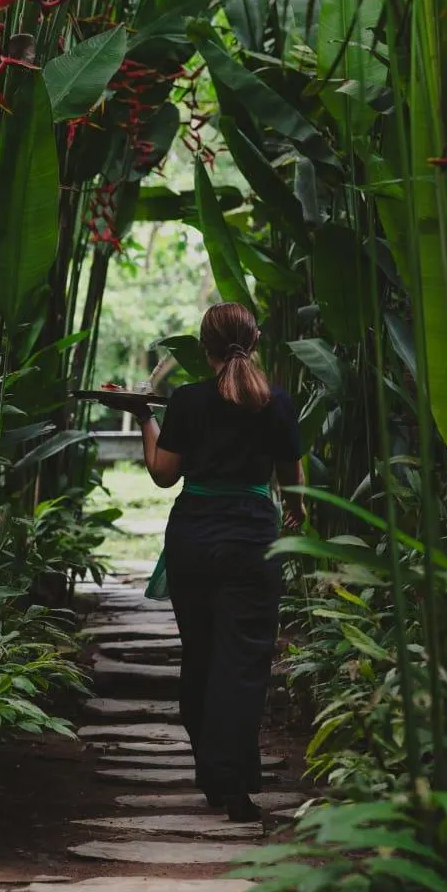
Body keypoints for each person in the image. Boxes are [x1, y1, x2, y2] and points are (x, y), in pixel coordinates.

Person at [125, 303, 304, 823]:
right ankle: (233, 784)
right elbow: (291, 480)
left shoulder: (187, 400)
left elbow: (162, 474)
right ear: (256, 340)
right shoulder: (277, 403)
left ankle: (214, 770)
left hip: (194, 538)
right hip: (252, 538)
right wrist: (296, 514)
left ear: (204, 349)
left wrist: (144, 417)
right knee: (243, 661)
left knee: (200, 654)